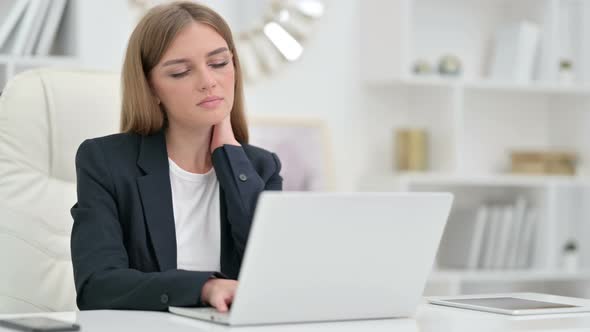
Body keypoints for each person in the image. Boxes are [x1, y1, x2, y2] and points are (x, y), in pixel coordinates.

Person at [70, 1, 282, 312]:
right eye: (181, 71)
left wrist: (230, 157)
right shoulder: (104, 161)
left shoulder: (261, 168)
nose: (208, 81)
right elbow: (97, 286)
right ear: (151, 88)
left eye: (220, 63)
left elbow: (274, 276)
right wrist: (204, 287)